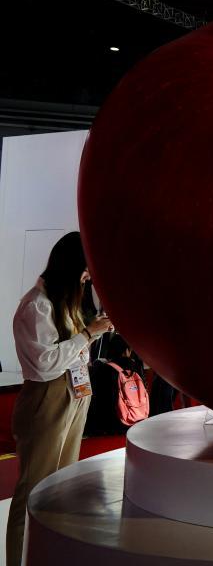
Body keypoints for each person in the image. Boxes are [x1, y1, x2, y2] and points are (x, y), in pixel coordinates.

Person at [7, 232, 113, 565]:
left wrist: (91, 333)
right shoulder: (36, 305)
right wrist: (88, 333)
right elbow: (45, 363)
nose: (88, 276)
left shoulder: (62, 301)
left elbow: (71, 354)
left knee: (61, 486)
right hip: (48, 397)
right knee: (33, 489)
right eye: (85, 268)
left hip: (74, 395)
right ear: (71, 265)